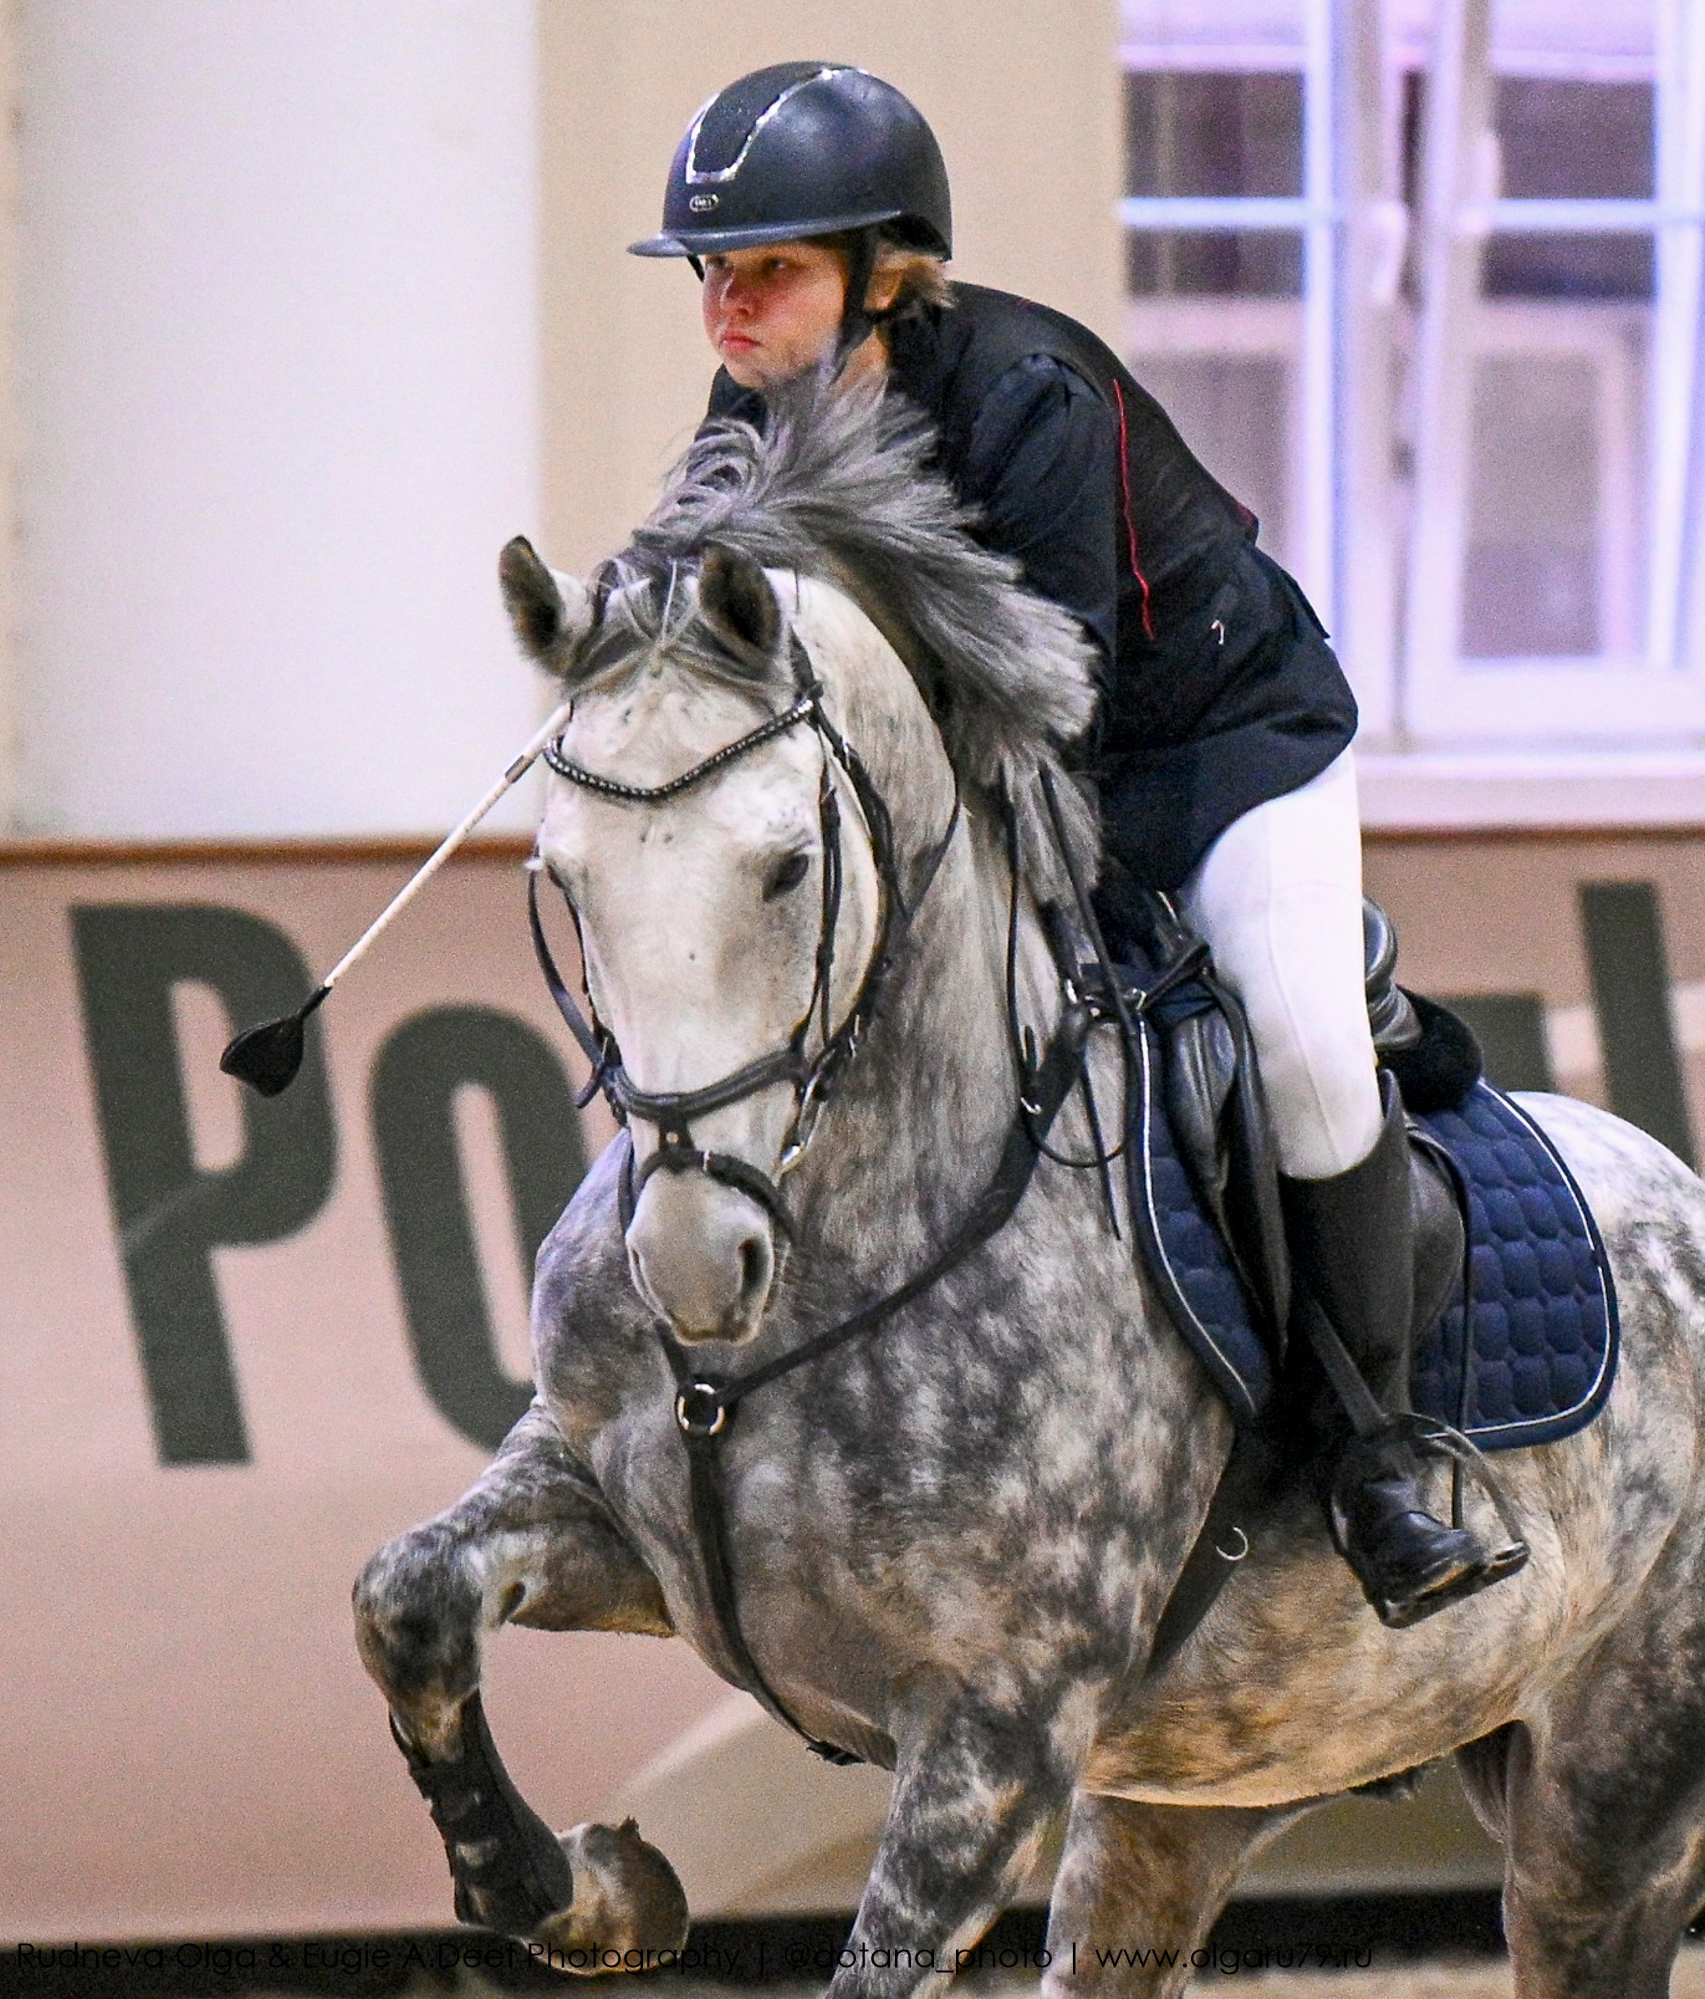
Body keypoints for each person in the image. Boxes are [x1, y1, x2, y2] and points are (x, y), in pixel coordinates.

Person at [630, 60, 1516, 1628]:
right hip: (1010, 769)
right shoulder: (749, 406)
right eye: (711, 270)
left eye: (769, 269)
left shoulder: (1033, 392)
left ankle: (1378, 1458)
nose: (726, 306)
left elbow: (1057, 695)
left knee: (1300, 1041)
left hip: (1218, 748)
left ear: (883, 272)